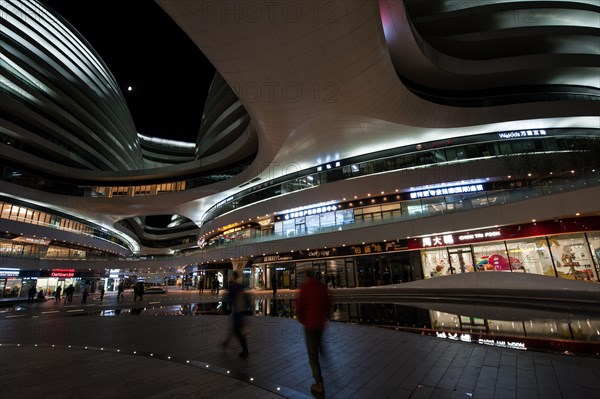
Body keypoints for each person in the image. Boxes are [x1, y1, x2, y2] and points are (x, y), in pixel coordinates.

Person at [296, 269, 332, 395]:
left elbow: (299, 307)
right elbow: (328, 303)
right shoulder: (321, 287)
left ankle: (319, 382)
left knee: (312, 354)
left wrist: (302, 320)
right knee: (318, 340)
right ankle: (322, 349)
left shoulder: (304, 288)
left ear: (306, 276)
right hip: (320, 323)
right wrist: (325, 315)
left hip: (310, 324)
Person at [221, 271, 250, 358]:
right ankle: (226, 343)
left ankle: (245, 350)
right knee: (236, 329)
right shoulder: (240, 287)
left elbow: (228, 298)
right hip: (241, 311)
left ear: (233, 277)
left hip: (237, 311)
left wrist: (224, 307)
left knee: (238, 331)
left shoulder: (233, 286)